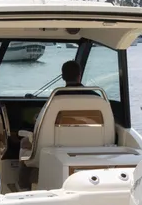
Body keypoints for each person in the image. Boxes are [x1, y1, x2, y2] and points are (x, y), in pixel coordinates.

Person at [17, 60, 91, 190]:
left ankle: (23, 185)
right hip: (89, 148)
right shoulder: (95, 97)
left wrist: (36, 119)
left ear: (62, 77)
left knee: (24, 142)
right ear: (80, 75)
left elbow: (42, 123)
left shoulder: (56, 98)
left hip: (58, 148)